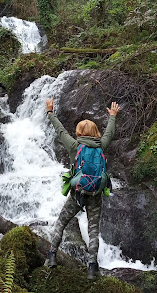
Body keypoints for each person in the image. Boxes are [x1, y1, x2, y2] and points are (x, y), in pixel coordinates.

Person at [45, 98, 120, 279]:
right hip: (95, 194)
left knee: (62, 222)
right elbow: (110, 133)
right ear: (95, 132)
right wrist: (112, 116)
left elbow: (59, 129)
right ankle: (93, 268)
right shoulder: (101, 145)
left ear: (79, 133)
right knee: (93, 229)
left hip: (77, 194)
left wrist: (50, 112)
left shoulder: (74, 146)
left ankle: (51, 256)